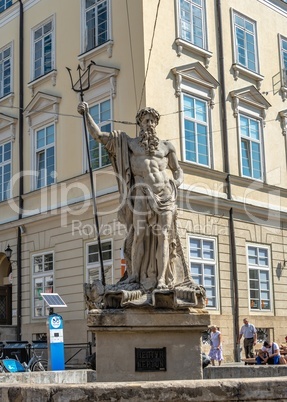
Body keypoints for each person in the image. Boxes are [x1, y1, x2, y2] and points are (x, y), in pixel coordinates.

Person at [78, 102, 188, 291]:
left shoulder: (167, 147)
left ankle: (161, 280)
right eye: (146, 120)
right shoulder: (128, 144)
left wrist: (174, 183)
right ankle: (135, 276)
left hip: (165, 196)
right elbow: (98, 136)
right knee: (139, 235)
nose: (150, 124)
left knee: (163, 236)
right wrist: (86, 114)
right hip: (141, 194)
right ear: (140, 124)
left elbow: (178, 171)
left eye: (153, 121)